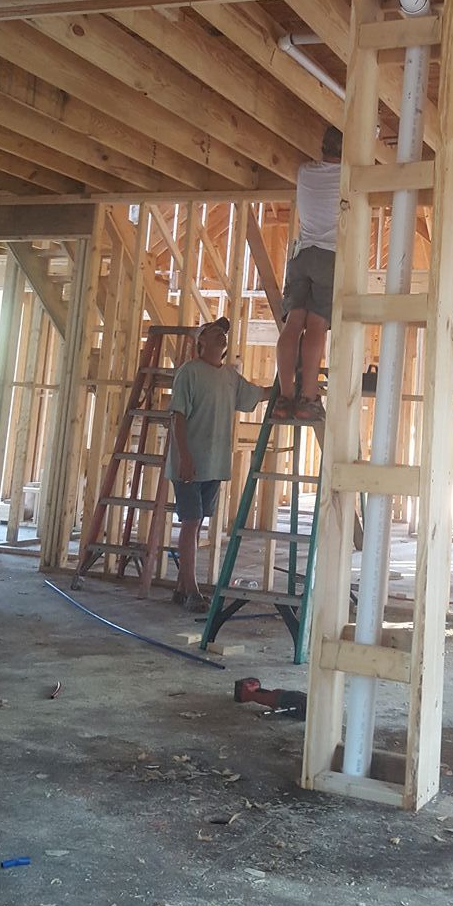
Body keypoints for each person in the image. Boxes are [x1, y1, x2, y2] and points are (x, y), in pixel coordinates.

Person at [166, 316, 270, 610]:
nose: (222, 337)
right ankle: (192, 593)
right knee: (190, 524)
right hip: (191, 463)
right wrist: (184, 456)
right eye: (215, 333)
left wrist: (284, 387)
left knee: (196, 524)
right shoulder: (189, 373)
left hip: (213, 462)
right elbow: (178, 416)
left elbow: (254, 394)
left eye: (224, 334)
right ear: (201, 341)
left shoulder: (228, 376)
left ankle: (181, 588)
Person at [273, 124, 342, 424]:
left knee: (293, 324)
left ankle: (285, 396)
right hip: (328, 256)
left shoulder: (305, 172)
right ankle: (308, 398)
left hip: (302, 254)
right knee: (316, 324)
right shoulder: (348, 176)